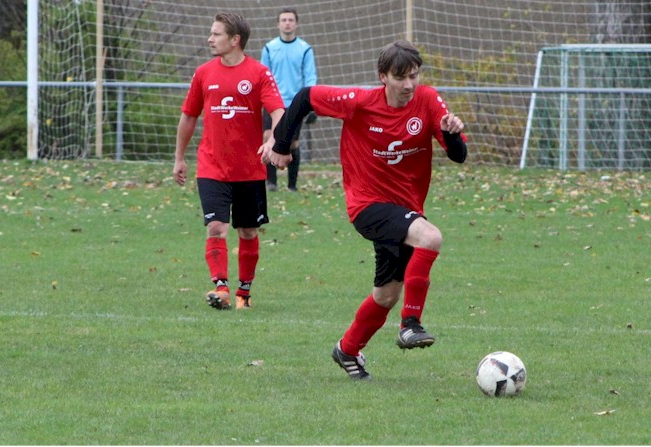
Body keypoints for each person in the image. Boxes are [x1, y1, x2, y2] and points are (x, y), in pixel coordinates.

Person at [261, 40, 467, 380]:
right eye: (400, 77)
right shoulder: (359, 102)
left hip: (405, 209)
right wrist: (282, 145)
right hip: (367, 205)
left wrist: (453, 134)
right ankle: (410, 325)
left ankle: (347, 350)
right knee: (430, 237)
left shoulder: (428, 100)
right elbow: (305, 97)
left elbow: (458, 156)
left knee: (386, 295)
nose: (409, 85)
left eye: (414, 76)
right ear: (383, 77)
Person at [174, 12, 285, 310]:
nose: (210, 39)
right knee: (216, 227)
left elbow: (278, 112)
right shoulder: (203, 73)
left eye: (216, 34)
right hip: (211, 166)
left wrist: (273, 141)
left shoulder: (259, 73)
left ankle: (243, 294)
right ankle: (221, 289)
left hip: (249, 169)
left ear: (235, 40)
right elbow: (188, 116)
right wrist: (179, 158)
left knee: (247, 231)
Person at [261, 7, 318, 192]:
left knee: (292, 143)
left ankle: (292, 185)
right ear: (278, 24)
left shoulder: (305, 49)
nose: (287, 23)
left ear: (296, 24)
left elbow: (310, 77)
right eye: (284, 20)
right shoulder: (269, 48)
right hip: (272, 103)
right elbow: (263, 76)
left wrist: (312, 104)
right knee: (269, 137)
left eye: (290, 20)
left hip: (295, 104)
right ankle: (271, 183)